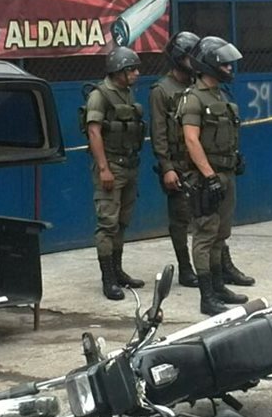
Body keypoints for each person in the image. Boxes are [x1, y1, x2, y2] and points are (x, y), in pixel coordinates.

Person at [177, 36, 251, 312]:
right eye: (224, 64)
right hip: (205, 178)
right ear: (208, 65)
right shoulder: (193, 98)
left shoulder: (220, 95)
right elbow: (191, 140)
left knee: (221, 233)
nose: (230, 68)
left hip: (225, 174)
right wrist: (208, 176)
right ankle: (207, 297)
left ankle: (219, 286)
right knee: (205, 235)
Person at [85, 46, 147, 300]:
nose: (136, 74)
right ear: (118, 70)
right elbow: (94, 132)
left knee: (122, 221)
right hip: (112, 166)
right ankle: (108, 279)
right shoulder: (100, 95)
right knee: (107, 224)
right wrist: (104, 168)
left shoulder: (127, 93)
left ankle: (118, 270)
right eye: (131, 69)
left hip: (129, 164)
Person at [149, 31, 202, 288]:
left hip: (201, 162)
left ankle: (219, 265)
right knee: (180, 219)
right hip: (178, 165)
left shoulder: (199, 85)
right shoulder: (162, 90)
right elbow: (158, 133)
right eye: (191, 56)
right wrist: (167, 167)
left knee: (212, 216)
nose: (195, 61)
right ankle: (185, 267)